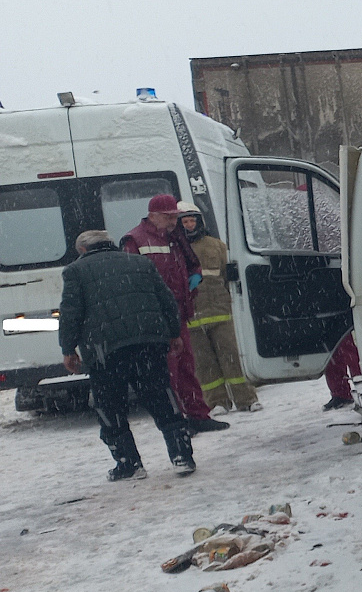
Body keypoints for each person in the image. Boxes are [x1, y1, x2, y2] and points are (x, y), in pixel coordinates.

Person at [58, 229, 195, 480]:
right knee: (162, 399)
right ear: (111, 244)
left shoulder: (75, 271)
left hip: (105, 351)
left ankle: (129, 464)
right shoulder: (141, 263)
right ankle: (182, 456)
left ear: (83, 250)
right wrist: (173, 333)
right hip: (148, 344)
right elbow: (166, 300)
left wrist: (68, 349)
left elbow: (71, 313)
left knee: (110, 408)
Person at [120, 194, 228, 434]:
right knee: (169, 373)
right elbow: (132, 283)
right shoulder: (135, 240)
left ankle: (198, 415)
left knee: (187, 367)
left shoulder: (175, 237)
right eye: (169, 217)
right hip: (156, 319)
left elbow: (190, 264)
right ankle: (179, 421)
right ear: (154, 215)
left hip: (178, 313)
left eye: (174, 217)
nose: (173, 221)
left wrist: (194, 277)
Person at [178, 201, 261, 413]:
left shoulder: (216, 245)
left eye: (191, 220)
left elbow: (227, 275)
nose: (188, 225)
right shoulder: (176, 249)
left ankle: (247, 399)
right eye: (184, 221)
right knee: (204, 364)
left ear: (199, 222)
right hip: (192, 316)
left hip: (220, 311)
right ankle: (216, 402)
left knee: (231, 357)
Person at [323, 331, 362, 411]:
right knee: (332, 355)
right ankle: (341, 394)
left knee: (350, 351)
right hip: (328, 322)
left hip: (343, 323)